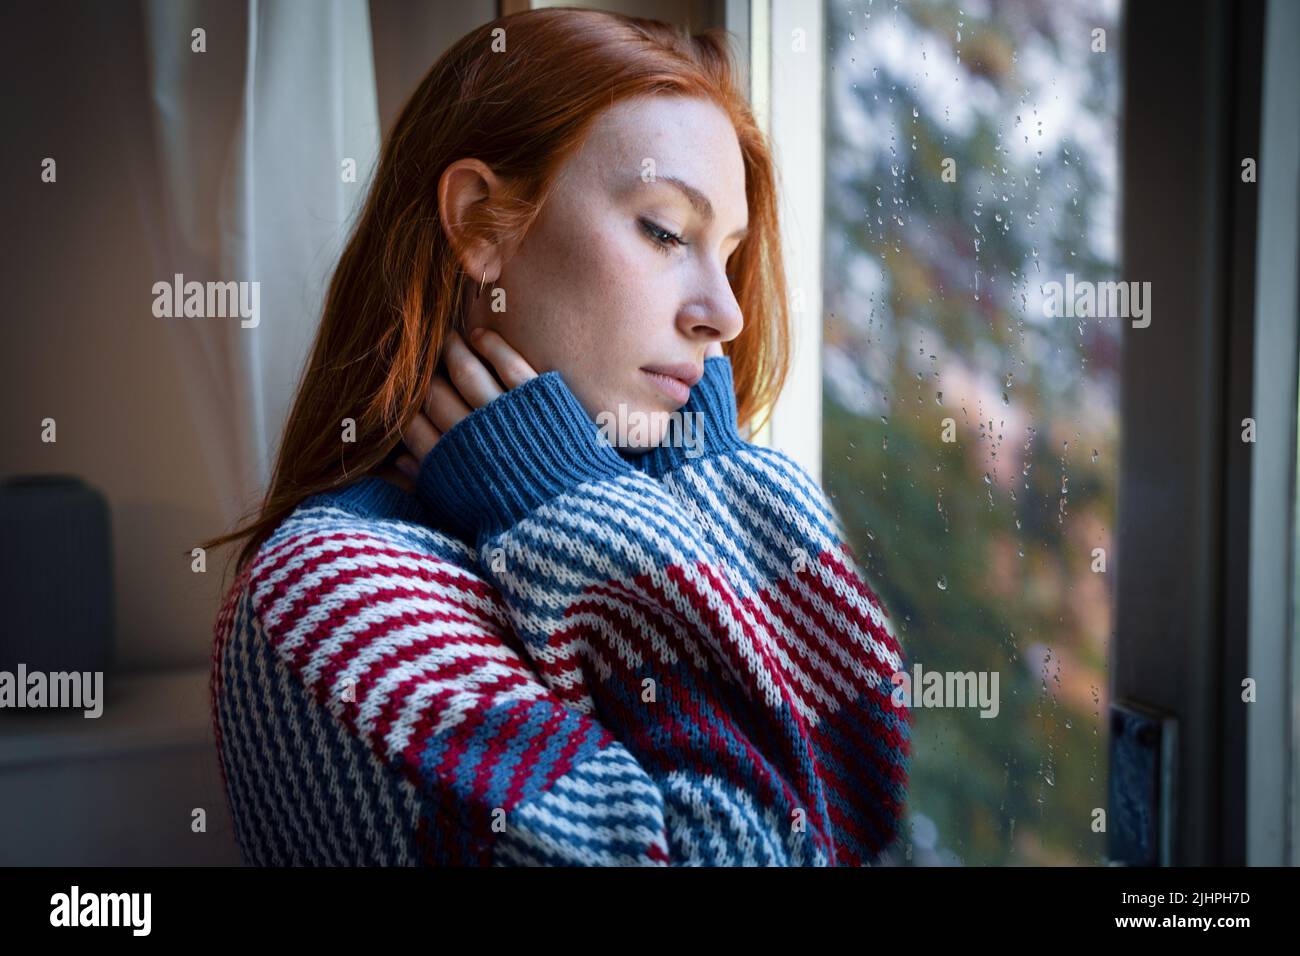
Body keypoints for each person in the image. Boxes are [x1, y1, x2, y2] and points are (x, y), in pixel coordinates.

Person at [202, 6, 911, 866]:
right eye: (663, 231)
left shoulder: (648, 497)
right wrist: (582, 507)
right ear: (479, 222)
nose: (723, 314)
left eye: (727, 254)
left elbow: (869, 799)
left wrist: (706, 479)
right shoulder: (330, 587)